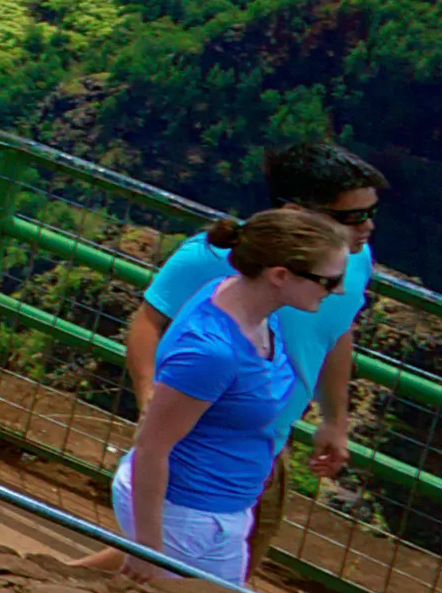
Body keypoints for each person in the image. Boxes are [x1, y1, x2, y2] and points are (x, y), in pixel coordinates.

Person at [133, 141, 390, 517]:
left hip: (266, 446)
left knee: (194, 555)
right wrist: (147, 393)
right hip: (195, 438)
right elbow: (149, 320)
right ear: (295, 212)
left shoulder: (353, 261)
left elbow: (335, 334)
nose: (368, 226)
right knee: (183, 551)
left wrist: (335, 421)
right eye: (351, 216)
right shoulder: (214, 257)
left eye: (371, 212)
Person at [116, 207, 351, 590]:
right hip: (187, 512)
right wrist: (147, 546)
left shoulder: (256, 310)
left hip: (222, 509)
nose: (337, 290)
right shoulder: (214, 352)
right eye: (329, 280)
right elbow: (151, 447)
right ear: (280, 276)